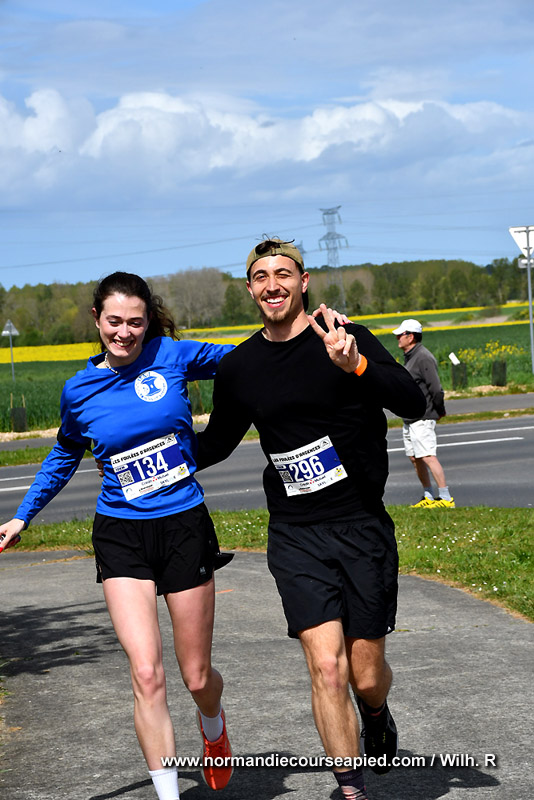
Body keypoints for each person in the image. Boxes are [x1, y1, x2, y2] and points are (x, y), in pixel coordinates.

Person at [195, 238, 426, 800]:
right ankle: (351, 790)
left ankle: (376, 713)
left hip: (360, 525)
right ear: (249, 289)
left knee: (365, 676)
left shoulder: (342, 335)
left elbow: (412, 402)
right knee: (327, 667)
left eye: (283, 274)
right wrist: (143, 451)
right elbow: (217, 442)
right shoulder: (241, 366)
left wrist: (357, 364)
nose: (272, 285)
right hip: (295, 534)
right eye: (260, 276)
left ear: (303, 282)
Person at [0, 272, 235, 800]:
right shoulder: (79, 390)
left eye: (135, 322)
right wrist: (22, 516)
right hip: (120, 534)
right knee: (147, 673)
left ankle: (213, 724)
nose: (124, 333)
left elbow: (250, 360)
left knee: (197, 677)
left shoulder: (172, 356)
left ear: (148, 322)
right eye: (114, 322)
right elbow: (64, 454)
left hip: (183, 526)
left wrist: (309, 332)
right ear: (96, 320)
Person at [392, 318, 455, 508]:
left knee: (427, 456)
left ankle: (446, 498)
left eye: (401, 334)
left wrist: (439, 410)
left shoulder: (423, 357)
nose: (397, 338)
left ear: (411, 336)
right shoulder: (410, 356)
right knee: (415, 457)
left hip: (423, 416)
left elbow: (435, 388)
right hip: (410, 418)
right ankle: (428, 496)